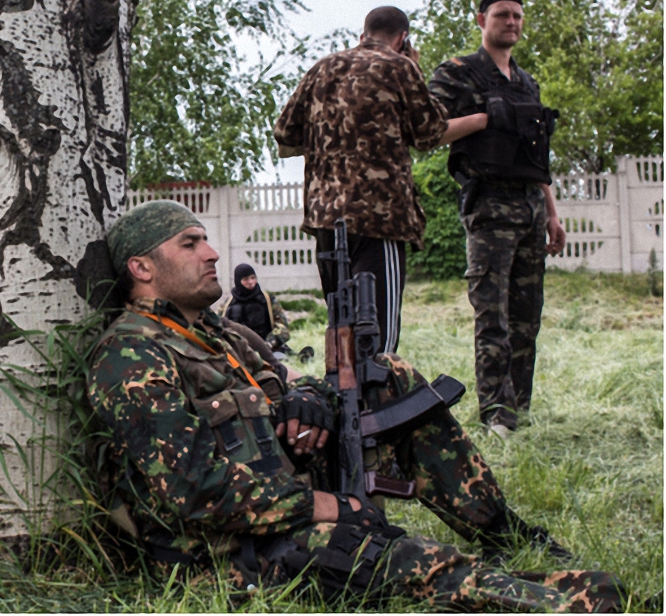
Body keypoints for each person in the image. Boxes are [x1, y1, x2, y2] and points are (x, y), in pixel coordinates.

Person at [86, 200, 623, 611]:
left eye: (206, 240)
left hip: (286, 487)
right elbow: (192, 489)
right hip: (228, 547)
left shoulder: (219, 332)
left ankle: (502, 533)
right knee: (388, 557)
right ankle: (572, 601)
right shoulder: (132, 353)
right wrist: (330, 507)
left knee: (388, 378)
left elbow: (285, 380)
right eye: (190, 243)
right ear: (142, 267)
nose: (213, 253)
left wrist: (306, 400)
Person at [274, 6, 486, 354]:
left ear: (363, 34)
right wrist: (416, 72)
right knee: (377, 341)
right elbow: (430, 132)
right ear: (403, 39)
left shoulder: (321, 69)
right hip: (380, 219)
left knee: (341, 335)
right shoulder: (401, 67)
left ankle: (345, 404)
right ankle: (376, 404)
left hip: (326, 220)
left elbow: (285, 133)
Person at [427, 0, 567, 439]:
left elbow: (537, 155)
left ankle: (519, 410)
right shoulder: (459, 73)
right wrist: (485, 118)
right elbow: (427, 131)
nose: (512, 23)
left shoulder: (527, 83)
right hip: (489, 207)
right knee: (494, 317)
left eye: (518, 16)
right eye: (503, 15)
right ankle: (496, 415)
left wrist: (552, 213)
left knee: (527, 317)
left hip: (529, 206)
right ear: (481, 19)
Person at [224, 263, 290, 356]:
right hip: (239, 352)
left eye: (253, 278)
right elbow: (218, 327)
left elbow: (283, 328)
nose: (250, 282)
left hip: (268, 349)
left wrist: (270, 343)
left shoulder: (268, 300)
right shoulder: (227, 304)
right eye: (246, 279)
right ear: (238, 281)